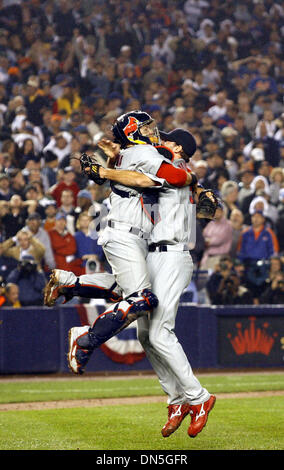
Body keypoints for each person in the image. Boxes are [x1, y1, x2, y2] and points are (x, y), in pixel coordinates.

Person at [44, 123, 215, 439]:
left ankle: (199, 398)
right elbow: (134, 184)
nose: (157, 141)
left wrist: (108, 169)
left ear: (177, 148)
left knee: (159, 331)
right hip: (155, 251)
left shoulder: (175, 166)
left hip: (173, 254)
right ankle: (177, 400)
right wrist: (116, 159)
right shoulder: (170, 166)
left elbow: (141, 179)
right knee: (146, 332)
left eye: (165, 140)